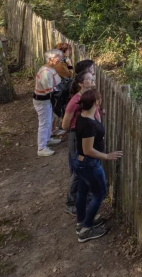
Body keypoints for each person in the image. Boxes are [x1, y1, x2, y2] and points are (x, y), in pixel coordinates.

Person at [74, 88, 122, 242]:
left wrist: (98, 115)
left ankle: (81, 221)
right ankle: (86, 229)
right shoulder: (88, 125)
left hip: (80, 162)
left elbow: (98, 128)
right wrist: (107, 156)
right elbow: (88, 149)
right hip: (89, 164)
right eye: (99, 98)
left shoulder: (83, 117)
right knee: (100, 193)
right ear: (96, 102)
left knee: (82, 192)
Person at [61, 70, 97, 215]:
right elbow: (65, 125)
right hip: (78, 137)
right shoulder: (75, 101)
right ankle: (71, 202)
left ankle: (86, 195)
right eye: (89, 78)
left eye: (92, 77)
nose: (93, 79)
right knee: (79, 170)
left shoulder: (91, 96)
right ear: (81, 83)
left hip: (89, 136)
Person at [33, 49, 63, 157]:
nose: (60, 59)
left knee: (49, 121)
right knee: (44, 123)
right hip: (42, 101)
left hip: (47, 101)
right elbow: (49, 90)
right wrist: (60, 90)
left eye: (60, 57)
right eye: (57, 57)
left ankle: (48, 139)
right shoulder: (46, 72)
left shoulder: (51, 69)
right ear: (50, 59)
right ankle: (41, 148)